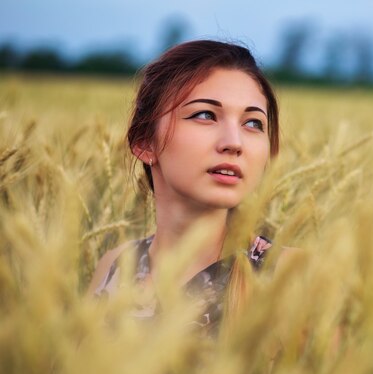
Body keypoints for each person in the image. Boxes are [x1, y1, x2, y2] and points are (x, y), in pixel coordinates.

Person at [88, 40, 280, 336]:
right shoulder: (114, 266)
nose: (234, 142)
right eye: (205, 115)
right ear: (144, 142)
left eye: (253, 123)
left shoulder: (289, 277)